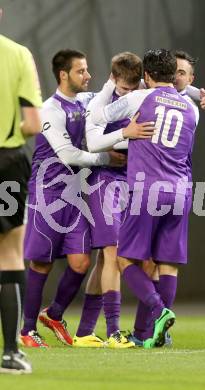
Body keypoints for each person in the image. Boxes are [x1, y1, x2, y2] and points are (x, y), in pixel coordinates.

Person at [89, 48, 200, 348]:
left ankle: (159, 310)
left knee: (125, 259)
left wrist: (126, 128)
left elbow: (99, 115)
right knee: (167, 264)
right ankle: (145, 334)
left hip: (146, 189)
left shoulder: (140, 98)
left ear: (147, 76)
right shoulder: (193, 108)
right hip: (181, 191)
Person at [19, 49, 126, 348]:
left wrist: (193, 93)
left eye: (88, 70)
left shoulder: (84, 101)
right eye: (81, 71)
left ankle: (53, 315)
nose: (87, 76)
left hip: (74, 195)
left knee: (80, 263)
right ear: (63, 74)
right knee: (41, 264)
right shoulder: (49, 110)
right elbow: (67, 155)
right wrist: (106, 157)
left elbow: (114, 92)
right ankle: (27, 330)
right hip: (47, 195)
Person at [74, 52, 155, 348]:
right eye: (124, 89)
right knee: (113, 253)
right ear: (113, 79)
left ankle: (84, 331)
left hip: (132, 180)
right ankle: (113, 332)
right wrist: (127, 134)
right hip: (105, 180)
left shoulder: (144, 95)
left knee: (103, 257)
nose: (129, 95)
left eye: (134, 89)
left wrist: (201, 95)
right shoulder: (99, 103)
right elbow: (92, 142)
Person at [0, 8, 42, 374]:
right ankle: (11, 353)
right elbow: (33, 123)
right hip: (7, 160)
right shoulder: (17, 54)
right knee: (10, 254)